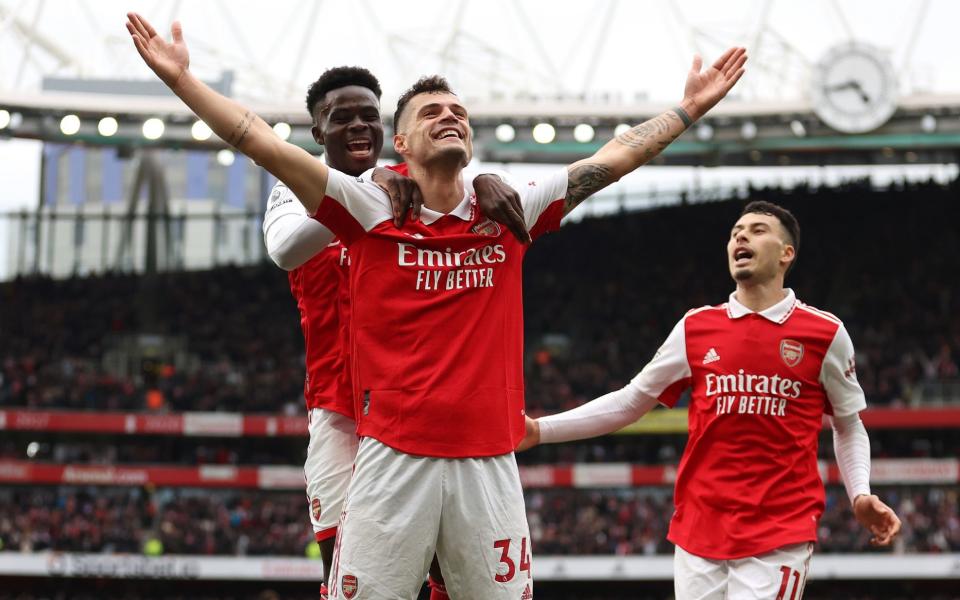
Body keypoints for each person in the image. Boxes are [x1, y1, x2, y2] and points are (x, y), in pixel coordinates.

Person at [125, 12, 745, 598]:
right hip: (385, 447)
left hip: (487, 460)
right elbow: (258, 142)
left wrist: (689, 107)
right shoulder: (369, 205)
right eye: (432, 112)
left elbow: (616, 158)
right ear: (401, 140)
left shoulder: (507, 208)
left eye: (459, 112)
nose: (450, 116)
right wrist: (181, 79)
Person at [521, 201, 902, 599]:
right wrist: (540, 430)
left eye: (757, 230)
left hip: (779, 531)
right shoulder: (695, 327)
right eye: (736, 231)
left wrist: (860, 493)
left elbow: (848, 423)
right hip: (698, 530)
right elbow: (631, 401)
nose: (741, 236)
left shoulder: (825, 333)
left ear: (786, 253)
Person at [262, 66, 525, 599]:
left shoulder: (412, 180)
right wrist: (362, 191)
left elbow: (460, 187)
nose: (359, 127)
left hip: (415, 407)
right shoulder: (299, 189)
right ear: (317, 131)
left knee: (449, 568)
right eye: (342, 118)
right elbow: (285, 249)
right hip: (339, 409)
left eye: (369, 116)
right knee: (345, 566)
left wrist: (483, 178)